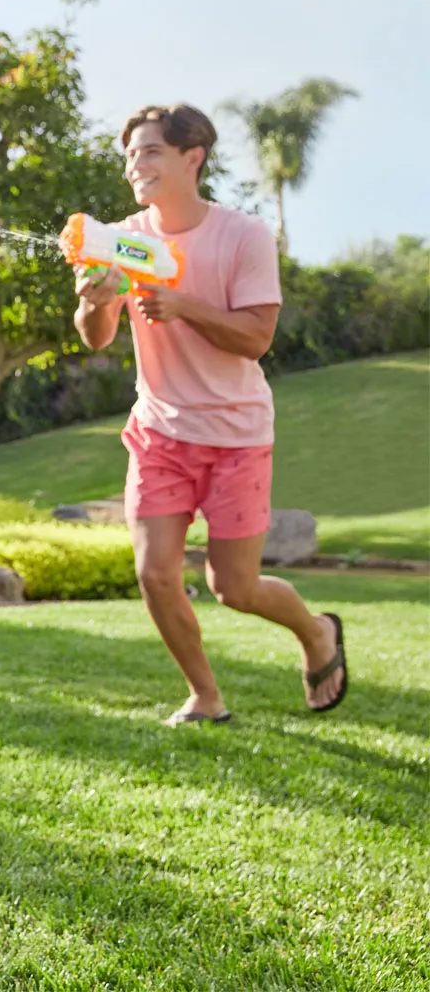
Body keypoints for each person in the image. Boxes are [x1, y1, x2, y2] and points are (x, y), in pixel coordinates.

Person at [71, 104, 347, 727]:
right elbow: (95, 335)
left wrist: (182, 305)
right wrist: (95, 300)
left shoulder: (244, 235)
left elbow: (255, 339)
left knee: (235, 588)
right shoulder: (121, 239)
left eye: (150, 152)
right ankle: (205, 696)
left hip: (236, 435)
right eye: (129, 155)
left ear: (192, 157)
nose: (134, 165)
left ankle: (316, 632)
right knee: (155, 573)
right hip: (159, 431)